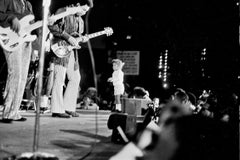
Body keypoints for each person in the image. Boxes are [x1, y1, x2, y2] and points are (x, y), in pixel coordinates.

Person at [47, 0, 93, 118]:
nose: (83, 13)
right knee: (59, 79)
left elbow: (76, 37)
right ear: (77, 5)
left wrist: (82, 39)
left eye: (86, 11)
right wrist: (67, 36)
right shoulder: (63, 11)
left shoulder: (81, 21)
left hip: (72, 51)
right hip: (60, 49)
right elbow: (51, 25)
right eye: (83, 9)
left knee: (76, 78)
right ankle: (57, 109)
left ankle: (68, 107)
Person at [0, 0, 35, 123]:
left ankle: (14, 112)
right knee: (15, 74)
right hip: (11, 39)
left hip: (26, 40)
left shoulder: (28, 4)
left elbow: (31, 24)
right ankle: (7, 112)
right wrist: (11, 17)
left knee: (23, 77)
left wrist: (47, 22)